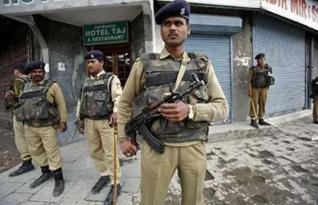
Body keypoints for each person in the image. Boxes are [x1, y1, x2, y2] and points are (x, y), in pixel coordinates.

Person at [117, 0, 228, 204]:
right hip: (157, 149)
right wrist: (123, 138)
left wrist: (191, 110)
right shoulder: (145, 64)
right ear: (161, 31)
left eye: (178, 23)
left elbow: (222, 108)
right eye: (167, 24)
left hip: (193, 146)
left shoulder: (202, 64)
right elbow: (124, 103)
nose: (173, 28)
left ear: (188, 29)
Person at [15, 61, 67, 197]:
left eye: (39, 71)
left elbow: (61, 104)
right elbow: (21, 104)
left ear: (43, 72)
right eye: (34, 72)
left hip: (47, 126)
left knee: (52, 151)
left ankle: (59, 179)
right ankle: (46, 173)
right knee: (35, 150)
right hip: (30, 126)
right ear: (29, 74)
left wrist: (63, 121)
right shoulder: (25, 87)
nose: (37, 74)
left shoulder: (52, 86)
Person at [77, 50, 122, 204]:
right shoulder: (86, 82)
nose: (90, 64)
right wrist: (80, 120)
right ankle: (104, 175)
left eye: (93, 62)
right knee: (95, 151)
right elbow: (81, 102)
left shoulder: (111, 79)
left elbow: (119, 98)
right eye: (88, 62)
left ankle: (116, 183)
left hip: (106, 121)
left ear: (101, 62)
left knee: (111, 152)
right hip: (90, 121)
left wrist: (116, 112)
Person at [4, 63, 35, 177]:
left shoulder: (18, 80)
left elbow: (19, 97)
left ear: (17, 71)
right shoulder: (32, 79)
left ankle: (27, 162)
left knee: (20, 137)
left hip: (20, 113)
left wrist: (10, 96)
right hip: (32, 113)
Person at [248, 53, 274, 129]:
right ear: (257, 61)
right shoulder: (253, 69)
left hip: (264, 89)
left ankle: (261, 119)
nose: (261, 61)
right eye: (259, 59)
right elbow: (249, 80)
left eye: (262, 59)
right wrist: (249, 89)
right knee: (254, 103)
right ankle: (253, 120)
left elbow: (271, 78)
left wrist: (268, 71)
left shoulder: (268, 68)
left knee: (263, 103)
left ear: (264, 60)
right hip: (255, 88)